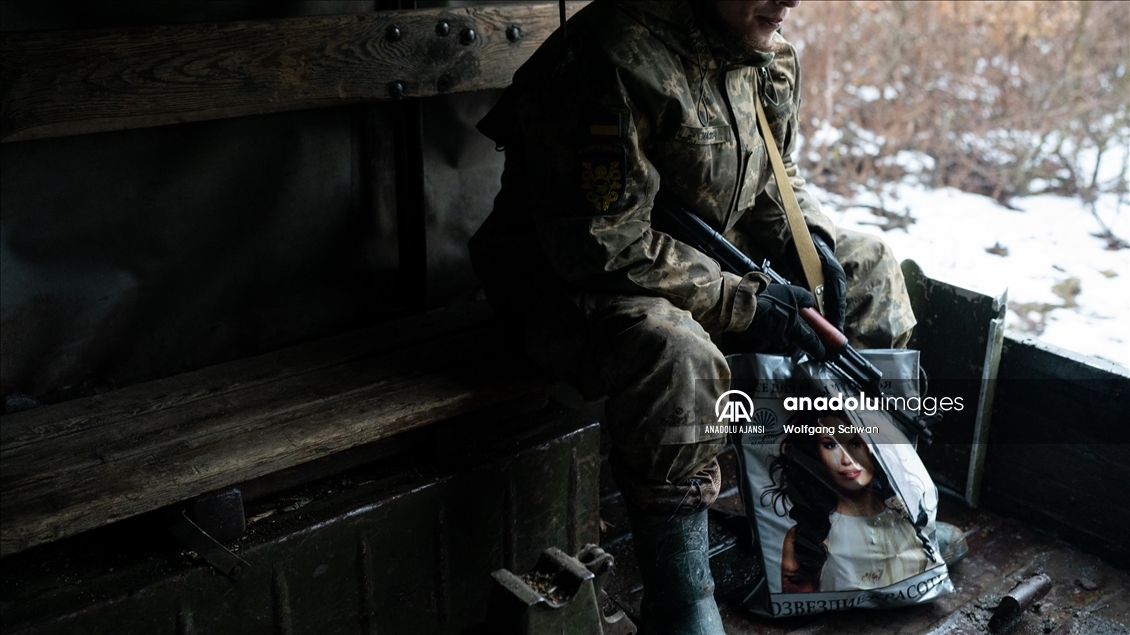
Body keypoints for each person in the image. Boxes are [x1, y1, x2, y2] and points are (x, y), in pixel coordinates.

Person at [469, 1, 958, 632]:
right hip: (565, 279)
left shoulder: (763, 52)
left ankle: (883, 513)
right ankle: (681, 597)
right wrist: (744, 302)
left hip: (695, 258)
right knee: (677, 351)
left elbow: (776, 175)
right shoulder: (615, 59)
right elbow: (602, 243)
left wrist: (811, 243)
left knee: (871, 270)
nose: (789, 1)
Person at [764, 411, 942, 593]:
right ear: (816, 454)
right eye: (831, 445)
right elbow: (800, 605)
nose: (847, 459)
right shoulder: (807, 537)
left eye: (856, 442)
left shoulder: (906, 511)